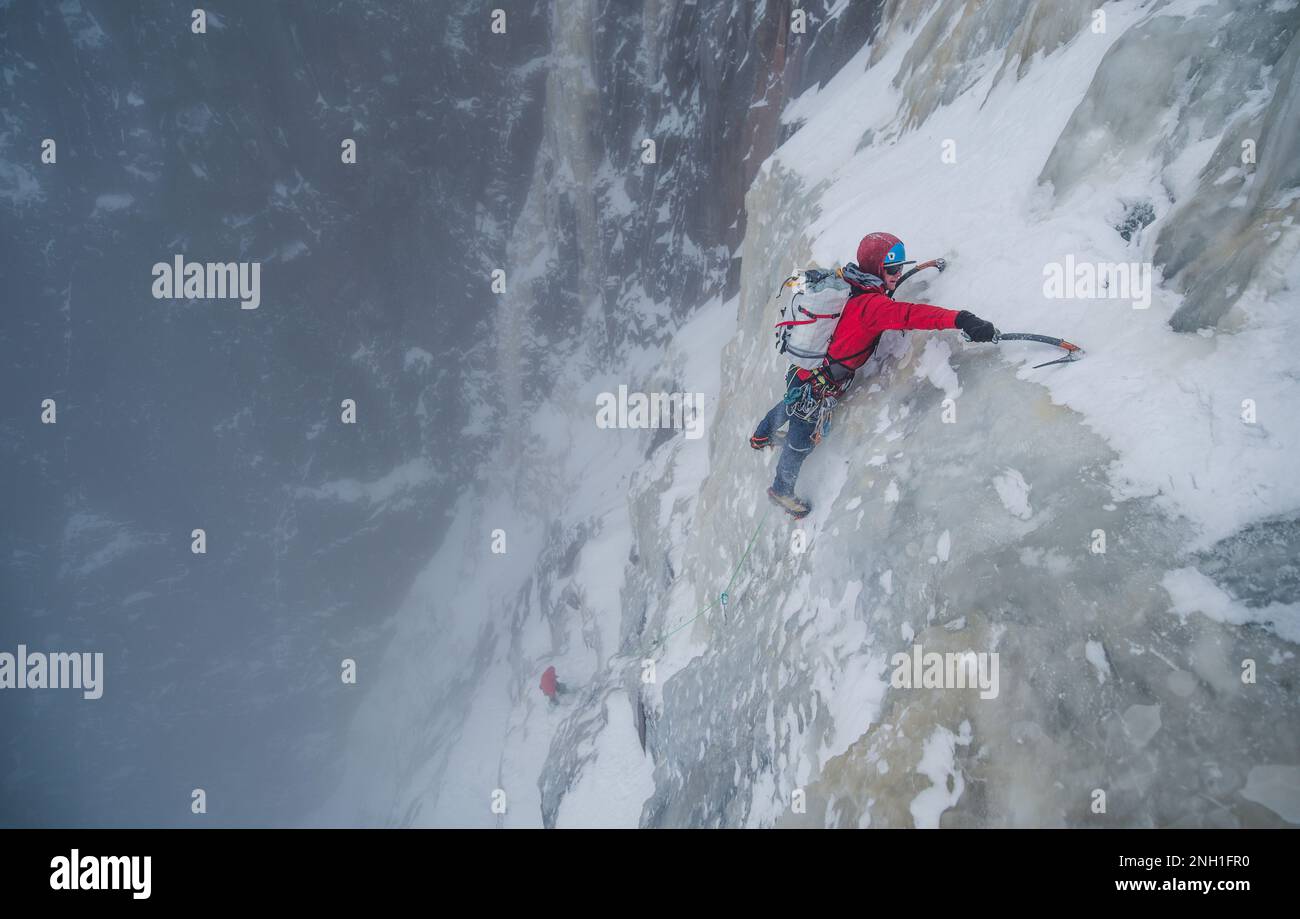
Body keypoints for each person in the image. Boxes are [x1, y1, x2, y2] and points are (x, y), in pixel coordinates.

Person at [751, 232, 999, 518]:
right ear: (876, 268)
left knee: (790, 402)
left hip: (803, 368)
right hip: (819, 384)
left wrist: (884, 289)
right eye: (892, 269)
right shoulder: (873, 307)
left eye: (899, 268)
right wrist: (962, 319)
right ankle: (782, 490)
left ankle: (761, 436)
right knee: (800, 441)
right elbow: (912, 315)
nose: (898, 274)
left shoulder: (848, 280)